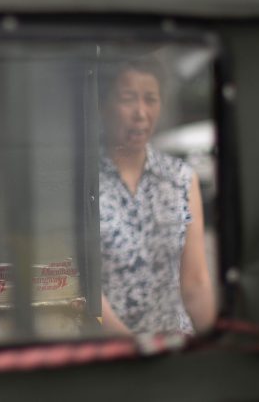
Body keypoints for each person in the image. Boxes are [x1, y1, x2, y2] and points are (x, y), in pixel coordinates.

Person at [99, 56, 215, 335]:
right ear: (103, 106)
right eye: (127, 99)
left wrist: (215, 341)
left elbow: (195, 283)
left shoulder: (181, 180)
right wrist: (136, 349)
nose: (141, 112)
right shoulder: (83, 185)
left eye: (150, 99)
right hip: (113, 354)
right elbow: (83, 293)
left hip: (175, 349)